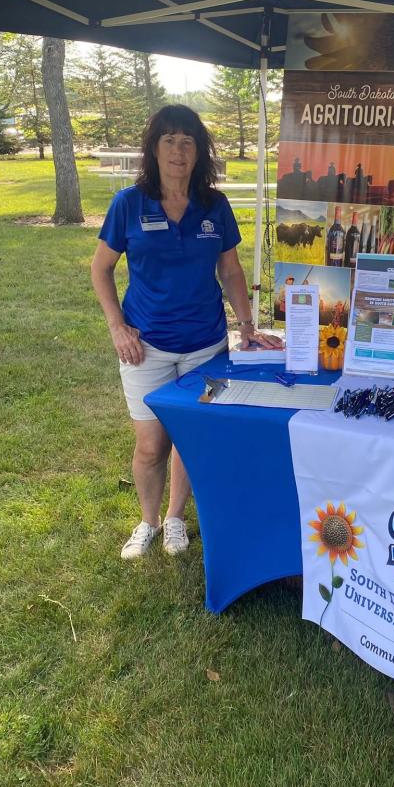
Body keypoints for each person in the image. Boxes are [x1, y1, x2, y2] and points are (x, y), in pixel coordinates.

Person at [91, 105, 282, 561]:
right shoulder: (129, 204)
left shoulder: (214, 205)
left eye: (188, 142)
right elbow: (101, 270)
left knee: (191, 435)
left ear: (199, 152)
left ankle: (176, 517)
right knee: (151, 443)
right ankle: (148, 521)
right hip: (146, 347)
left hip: (207, 347)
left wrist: (247, 325)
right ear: (154, 148)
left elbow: (231, 270)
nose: (179, 150)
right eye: (170, 140)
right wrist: (118, 327)